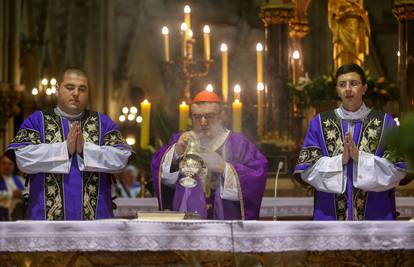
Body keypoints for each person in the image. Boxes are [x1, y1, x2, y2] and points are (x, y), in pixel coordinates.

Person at [6, 67, 132, 220]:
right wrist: (64, 149)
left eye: (82, 89)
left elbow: (121, 159)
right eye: (70, 87)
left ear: (88, 93)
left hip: (96, 221)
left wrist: (84, 151)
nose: (76, 93)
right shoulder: (37, 121)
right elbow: (23, 159)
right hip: (45, 220)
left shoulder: (103, 123)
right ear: (58, 89)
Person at [294, 63, 407, 220]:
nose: (348, 89)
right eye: (342, 84)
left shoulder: (385, 123)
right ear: (337, 90)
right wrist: (340, 160)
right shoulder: (319, 123)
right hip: (330, 217)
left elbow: (398, 171)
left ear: (364, 88)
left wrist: (360, 158)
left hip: (376, 218)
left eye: (353, 83)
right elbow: (307, 170)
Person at [151, 90, 268, 220]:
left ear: (222, 116)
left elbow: (257, 175)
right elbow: (163, 178)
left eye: (209, 116)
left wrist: (225, 168)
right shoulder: (181, 141)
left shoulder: (238, 143)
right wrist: (177, 152)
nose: (203, 122)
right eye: (197, 116)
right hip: (187, 224)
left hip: (226, 223)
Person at [0, 155, 25, 221]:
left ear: (14, 166)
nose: (7, 166)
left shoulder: (20, 180)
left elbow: (27, 192)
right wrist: (12, 194)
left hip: (19, 215)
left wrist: (21, 194)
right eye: (4, 163)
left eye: (10, 164)